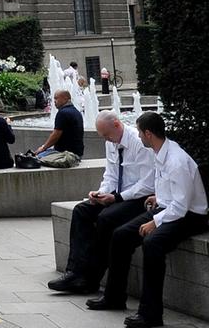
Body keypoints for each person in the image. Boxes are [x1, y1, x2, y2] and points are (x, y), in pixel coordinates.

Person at [87, 111, 208, 327]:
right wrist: (157, 197)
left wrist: (154, 222)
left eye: (140, 132)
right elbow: (171, 194)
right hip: (169, 208)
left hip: (190, 216)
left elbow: (180, 207)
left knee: (152, 244)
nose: (138, 136)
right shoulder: (161, 152)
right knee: (121, 235)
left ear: (148, 134)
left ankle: (151, 313)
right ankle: (114, 297)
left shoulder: (176, 160)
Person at [50, 111, 155, 294]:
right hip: (118, 194)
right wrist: (100, 193)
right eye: (103, 136)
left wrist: (117, 198)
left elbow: (147, 184)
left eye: (107, 135)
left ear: (117, 124)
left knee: (107, 218)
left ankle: (91, 278)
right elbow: (111, 175)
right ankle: (74, 272)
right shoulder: (111, 142)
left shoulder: (139, 143)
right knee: (81, 210)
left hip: (139, 198)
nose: (107, 139)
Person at [32, 88, 84, 166]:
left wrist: (43, 148)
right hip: (77, 153)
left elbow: (56, 134)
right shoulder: (76, 111)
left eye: (56, 98)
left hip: (68, 155)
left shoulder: (63, 113)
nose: (54, 101)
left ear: (66, 98)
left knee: (35, 158)